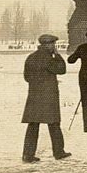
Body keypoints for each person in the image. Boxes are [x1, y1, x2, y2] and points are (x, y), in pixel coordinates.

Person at [21, 34, 72, 163]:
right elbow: (62, 70)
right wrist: (58, 55)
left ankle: (28, 155)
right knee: (54, 124)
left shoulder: (31, 57)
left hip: (34, 96)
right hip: (49, 97)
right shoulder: (49, 58)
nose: (54, 46)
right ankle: (59, 152)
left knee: (33, 125)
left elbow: (26, 77)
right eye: (53, 44)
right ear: (48, 45)